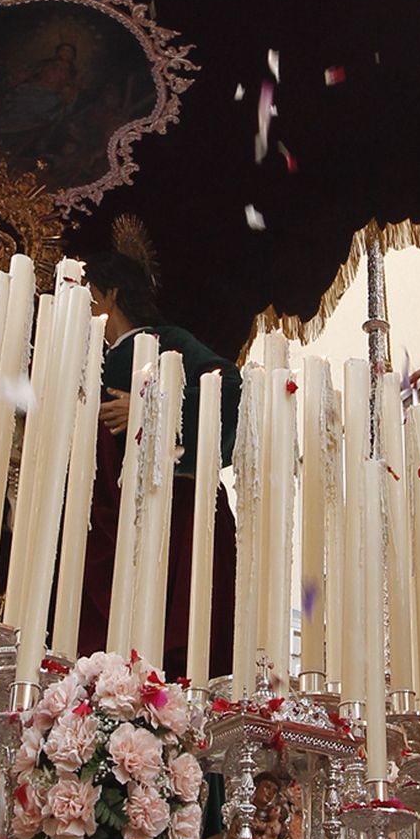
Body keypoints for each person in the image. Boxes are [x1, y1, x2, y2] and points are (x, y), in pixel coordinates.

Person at [77, 249, 242, 676]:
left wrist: (150, 407)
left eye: (88, 291)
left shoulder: (167, 342)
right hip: (107, 521)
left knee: (173, 631)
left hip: (172, 511)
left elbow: (228, 389)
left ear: (111, 294)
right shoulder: (86, 361)